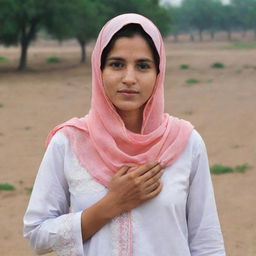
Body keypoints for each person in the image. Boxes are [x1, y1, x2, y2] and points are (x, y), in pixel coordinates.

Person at [23, 13, 226, 256]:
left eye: (143, 66)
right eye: (116, 64)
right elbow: (37, 233)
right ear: (99, 70)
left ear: (158, 73)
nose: (129, 78)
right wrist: (112, 204)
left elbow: (207, 243)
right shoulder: (69, 142)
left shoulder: (186, 143)